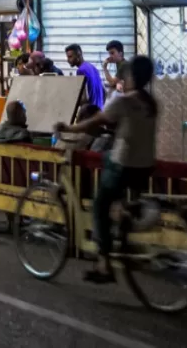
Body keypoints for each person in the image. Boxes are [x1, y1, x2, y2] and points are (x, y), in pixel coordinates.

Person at [55, 55, 157, 284]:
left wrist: (68, 127)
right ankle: (123, 225)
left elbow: (95, 121)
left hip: (124, 164)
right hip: (146, 166)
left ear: (130, 77)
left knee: (100, 204)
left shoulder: (123, 101)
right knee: (118, 200)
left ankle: (104, 264)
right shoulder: (151, 103)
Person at [65, 44, 105, 109]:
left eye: (70, 57)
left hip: (90, 113)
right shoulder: (92, 67)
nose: (68, 60)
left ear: (78, 54)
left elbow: (84, 98)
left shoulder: (81, 70)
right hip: (99, 110)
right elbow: (104, 92)